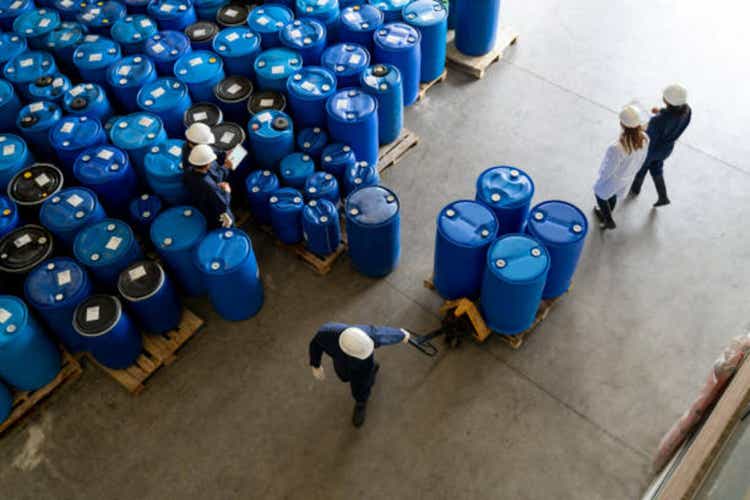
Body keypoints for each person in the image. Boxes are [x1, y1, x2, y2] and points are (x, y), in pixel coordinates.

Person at [309, 323, 411, 427]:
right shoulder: (327, 333)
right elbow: (315, 345)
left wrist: (402, 335)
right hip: (340, 357)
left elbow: (385, 334)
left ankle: (361, 402)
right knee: (344, 376)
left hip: (364, 363)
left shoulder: (369, 334)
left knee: (361, 383)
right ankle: (369, 369)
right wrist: (315, 364)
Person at [629, 84, 692, 206]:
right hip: (666, 149)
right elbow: (673, 120)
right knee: (656, 168)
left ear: (667, 100)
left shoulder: (658, 120)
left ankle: (635, 190)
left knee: (641, 169)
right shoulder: (687, 110)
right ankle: (663, 196)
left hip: (651, 150)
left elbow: (647, 138)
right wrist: (660, 112)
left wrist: (640, 127)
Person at [593, 105, 650, 230]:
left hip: (614, 179)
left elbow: (608, 170)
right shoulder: (645, 138)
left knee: (600, 194)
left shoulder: (617, 148)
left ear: (622, 124)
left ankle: (607, 219)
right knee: (612, 195)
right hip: (628, 176)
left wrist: (601, 179)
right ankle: (607, 213)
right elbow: (642, 159)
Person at [184, 144, 234, 228]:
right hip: (216, 214)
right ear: (207, 164)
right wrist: (227, 191)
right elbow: (223, 205)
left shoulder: (188, 172)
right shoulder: (209, 185)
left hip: (203, 207)